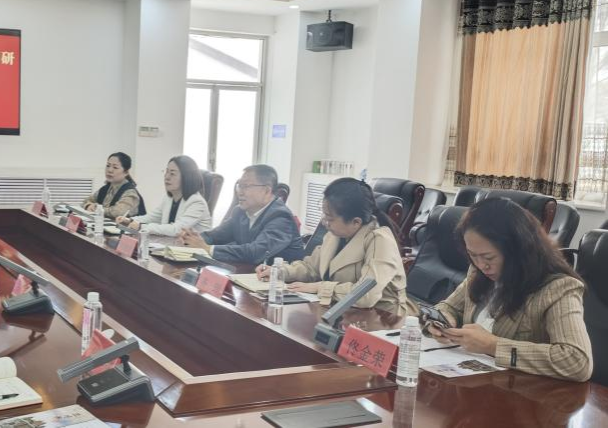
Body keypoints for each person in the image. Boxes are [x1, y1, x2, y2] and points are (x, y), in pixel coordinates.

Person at [426, 198, 592, 382]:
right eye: (472, 255)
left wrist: (493, 346)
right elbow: (450, 307)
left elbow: (577, 361)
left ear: (517, 251)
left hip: (524, 392)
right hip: (472, 383)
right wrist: (442, 320)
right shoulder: (478, 271)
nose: (481, 265)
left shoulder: (558, 288)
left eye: (489, 257)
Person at [256, 178, 410, 315]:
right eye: (324, 215)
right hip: (341, 311)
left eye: (330, 218)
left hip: (383, 318)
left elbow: (365, 295)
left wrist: (319, 288)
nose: (324, 222)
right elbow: (312, 268)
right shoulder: (336, 234)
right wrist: (280, 272)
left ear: (356, 222)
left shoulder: (379, 240)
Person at [179, 164, 303, 265]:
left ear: (266, 191)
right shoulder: (240, 212)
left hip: (282, 283)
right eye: (239, 186)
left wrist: (208, 249)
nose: (240, 192)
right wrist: (191, 239)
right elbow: (215, 236)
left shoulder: (281, 216)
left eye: (245, 186)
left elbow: (255, 253)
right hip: (248, 275)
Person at [116, 155, 211, 236]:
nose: (167, 177)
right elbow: (152, 218)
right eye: (166, 172)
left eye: (172, 173)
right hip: (171, 245)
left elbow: (177, 230)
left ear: (187, 177)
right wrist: (129, 220)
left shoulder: (197, 203)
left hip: (191, 250)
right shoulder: (169, 198)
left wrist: (141, 226)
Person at [82, 152, 146, 218]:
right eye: (108, 166)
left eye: (115, 167)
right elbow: (86, 201)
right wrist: (89, 206)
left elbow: (118, 212)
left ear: (126, 172)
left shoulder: (130, 193)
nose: (109, 170)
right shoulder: (105, 189)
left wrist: (97, 208)